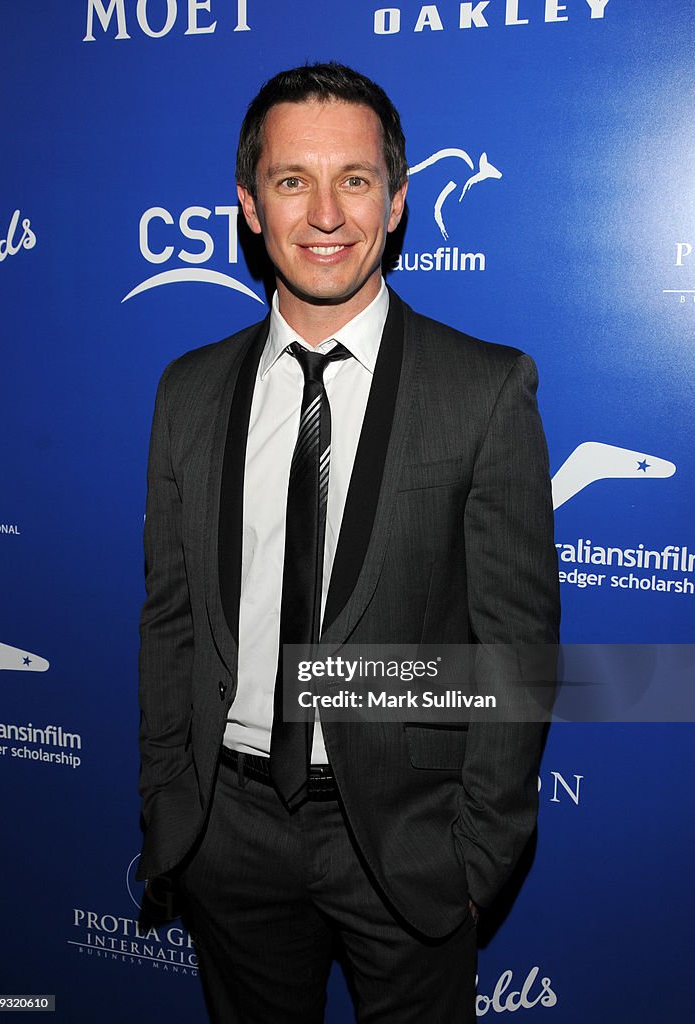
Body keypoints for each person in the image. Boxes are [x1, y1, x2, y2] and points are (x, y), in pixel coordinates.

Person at [137, 62, 560, 1024]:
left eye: (355, 180)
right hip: (227, 833)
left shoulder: (484, 391)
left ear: (400, 199)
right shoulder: (188, 392)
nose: (326, 214)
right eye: (292, 181)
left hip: (406, 848)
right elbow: (169, 617)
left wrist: (475, 856)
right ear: (249, 205)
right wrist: (172, 802)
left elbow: (517, 649)